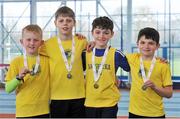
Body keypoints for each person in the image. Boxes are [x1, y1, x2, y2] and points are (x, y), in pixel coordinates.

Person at [39, 6, 90, 118]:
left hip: (79, 95)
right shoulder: (46, 45)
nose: (65, 24)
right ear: (55, 23)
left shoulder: (82, 41)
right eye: (61, 21)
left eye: (68, 20)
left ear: (74, 23)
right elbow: (31, 52)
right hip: (57, 96)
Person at [83, 16, 130, 118]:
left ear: (112, 34)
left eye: (106, 32)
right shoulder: (85, 53)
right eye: (98, 32)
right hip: (89, 101)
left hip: (109, 102)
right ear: (92, 33)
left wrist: (156, 59)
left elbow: (132, 66)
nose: (101, 36)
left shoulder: (116, 54)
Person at [126, 27, 173, 118]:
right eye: (142, 42)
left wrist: (155, 87)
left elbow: (169, 93)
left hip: (156, 114)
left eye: (151, 43)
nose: (146, 46)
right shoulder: (131, 58)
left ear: (157, 46)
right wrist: (93, 43)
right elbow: (111, 57)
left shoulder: (163, 65)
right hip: (134, 112)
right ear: (137, 44)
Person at [5, 24, 50, 118]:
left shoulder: (47, 60)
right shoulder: (16, 62)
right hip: (23, 111)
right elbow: (8, 89)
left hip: (43, 110)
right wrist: (18, 77)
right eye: (28, 39)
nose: (32, 43)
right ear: (22, 41)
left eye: (36, 40)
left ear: (41, 43)